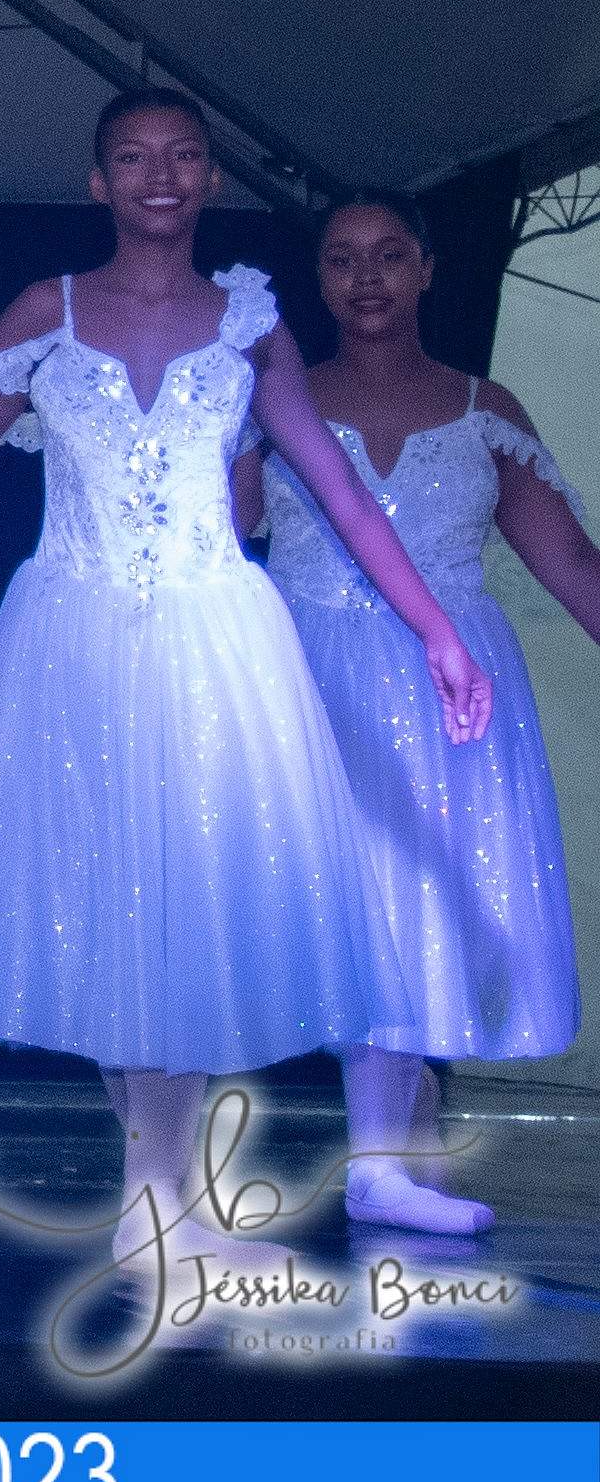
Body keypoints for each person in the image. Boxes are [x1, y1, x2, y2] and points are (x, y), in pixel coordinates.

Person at [0, 92, 491, 1268]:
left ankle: (157, 1208)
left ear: (211, 177)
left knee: (187, 899)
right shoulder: (46, 312)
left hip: (212, 632)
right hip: (73, 634)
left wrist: (434, 628)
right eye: (133, 157)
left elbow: (332, 484)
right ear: (97, 181)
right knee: (115, 903)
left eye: (182, 156)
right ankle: (156, 1205)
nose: (159, 174)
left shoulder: (250, 320)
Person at [239, 192, 593, 1234]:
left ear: (429, 269)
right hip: (314, 675)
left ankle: (387, 1149)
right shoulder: (274, 398)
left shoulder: (485, 408)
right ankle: (385, 1152)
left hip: (451, 692)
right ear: (316, 278)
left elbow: (572, 561)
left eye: (390, 254)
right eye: (342, 258)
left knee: (413, 908)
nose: (366, 277)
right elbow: (223, 529)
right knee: (350, 907)